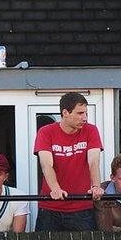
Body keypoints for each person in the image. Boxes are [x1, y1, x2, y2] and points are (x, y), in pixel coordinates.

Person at [33, 92, 104, 231]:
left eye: (86, 113)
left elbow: (93, 161)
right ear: (65, 112)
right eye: (80, 113)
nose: (84, 118)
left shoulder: (91, 130)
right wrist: (55, 189)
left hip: (82, 206)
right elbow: (46, 165)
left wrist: (96, 186)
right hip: (50, 206)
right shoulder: (46, 132)